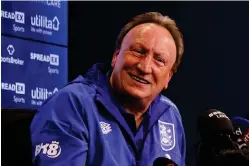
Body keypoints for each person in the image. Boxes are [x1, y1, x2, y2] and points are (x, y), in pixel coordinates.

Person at [30, 12, 186, 166]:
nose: (145, 67)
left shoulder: (170, 114)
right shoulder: (72, 104)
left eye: (159, 60)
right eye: (138, 51)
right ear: (116, 56)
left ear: (168, 78)